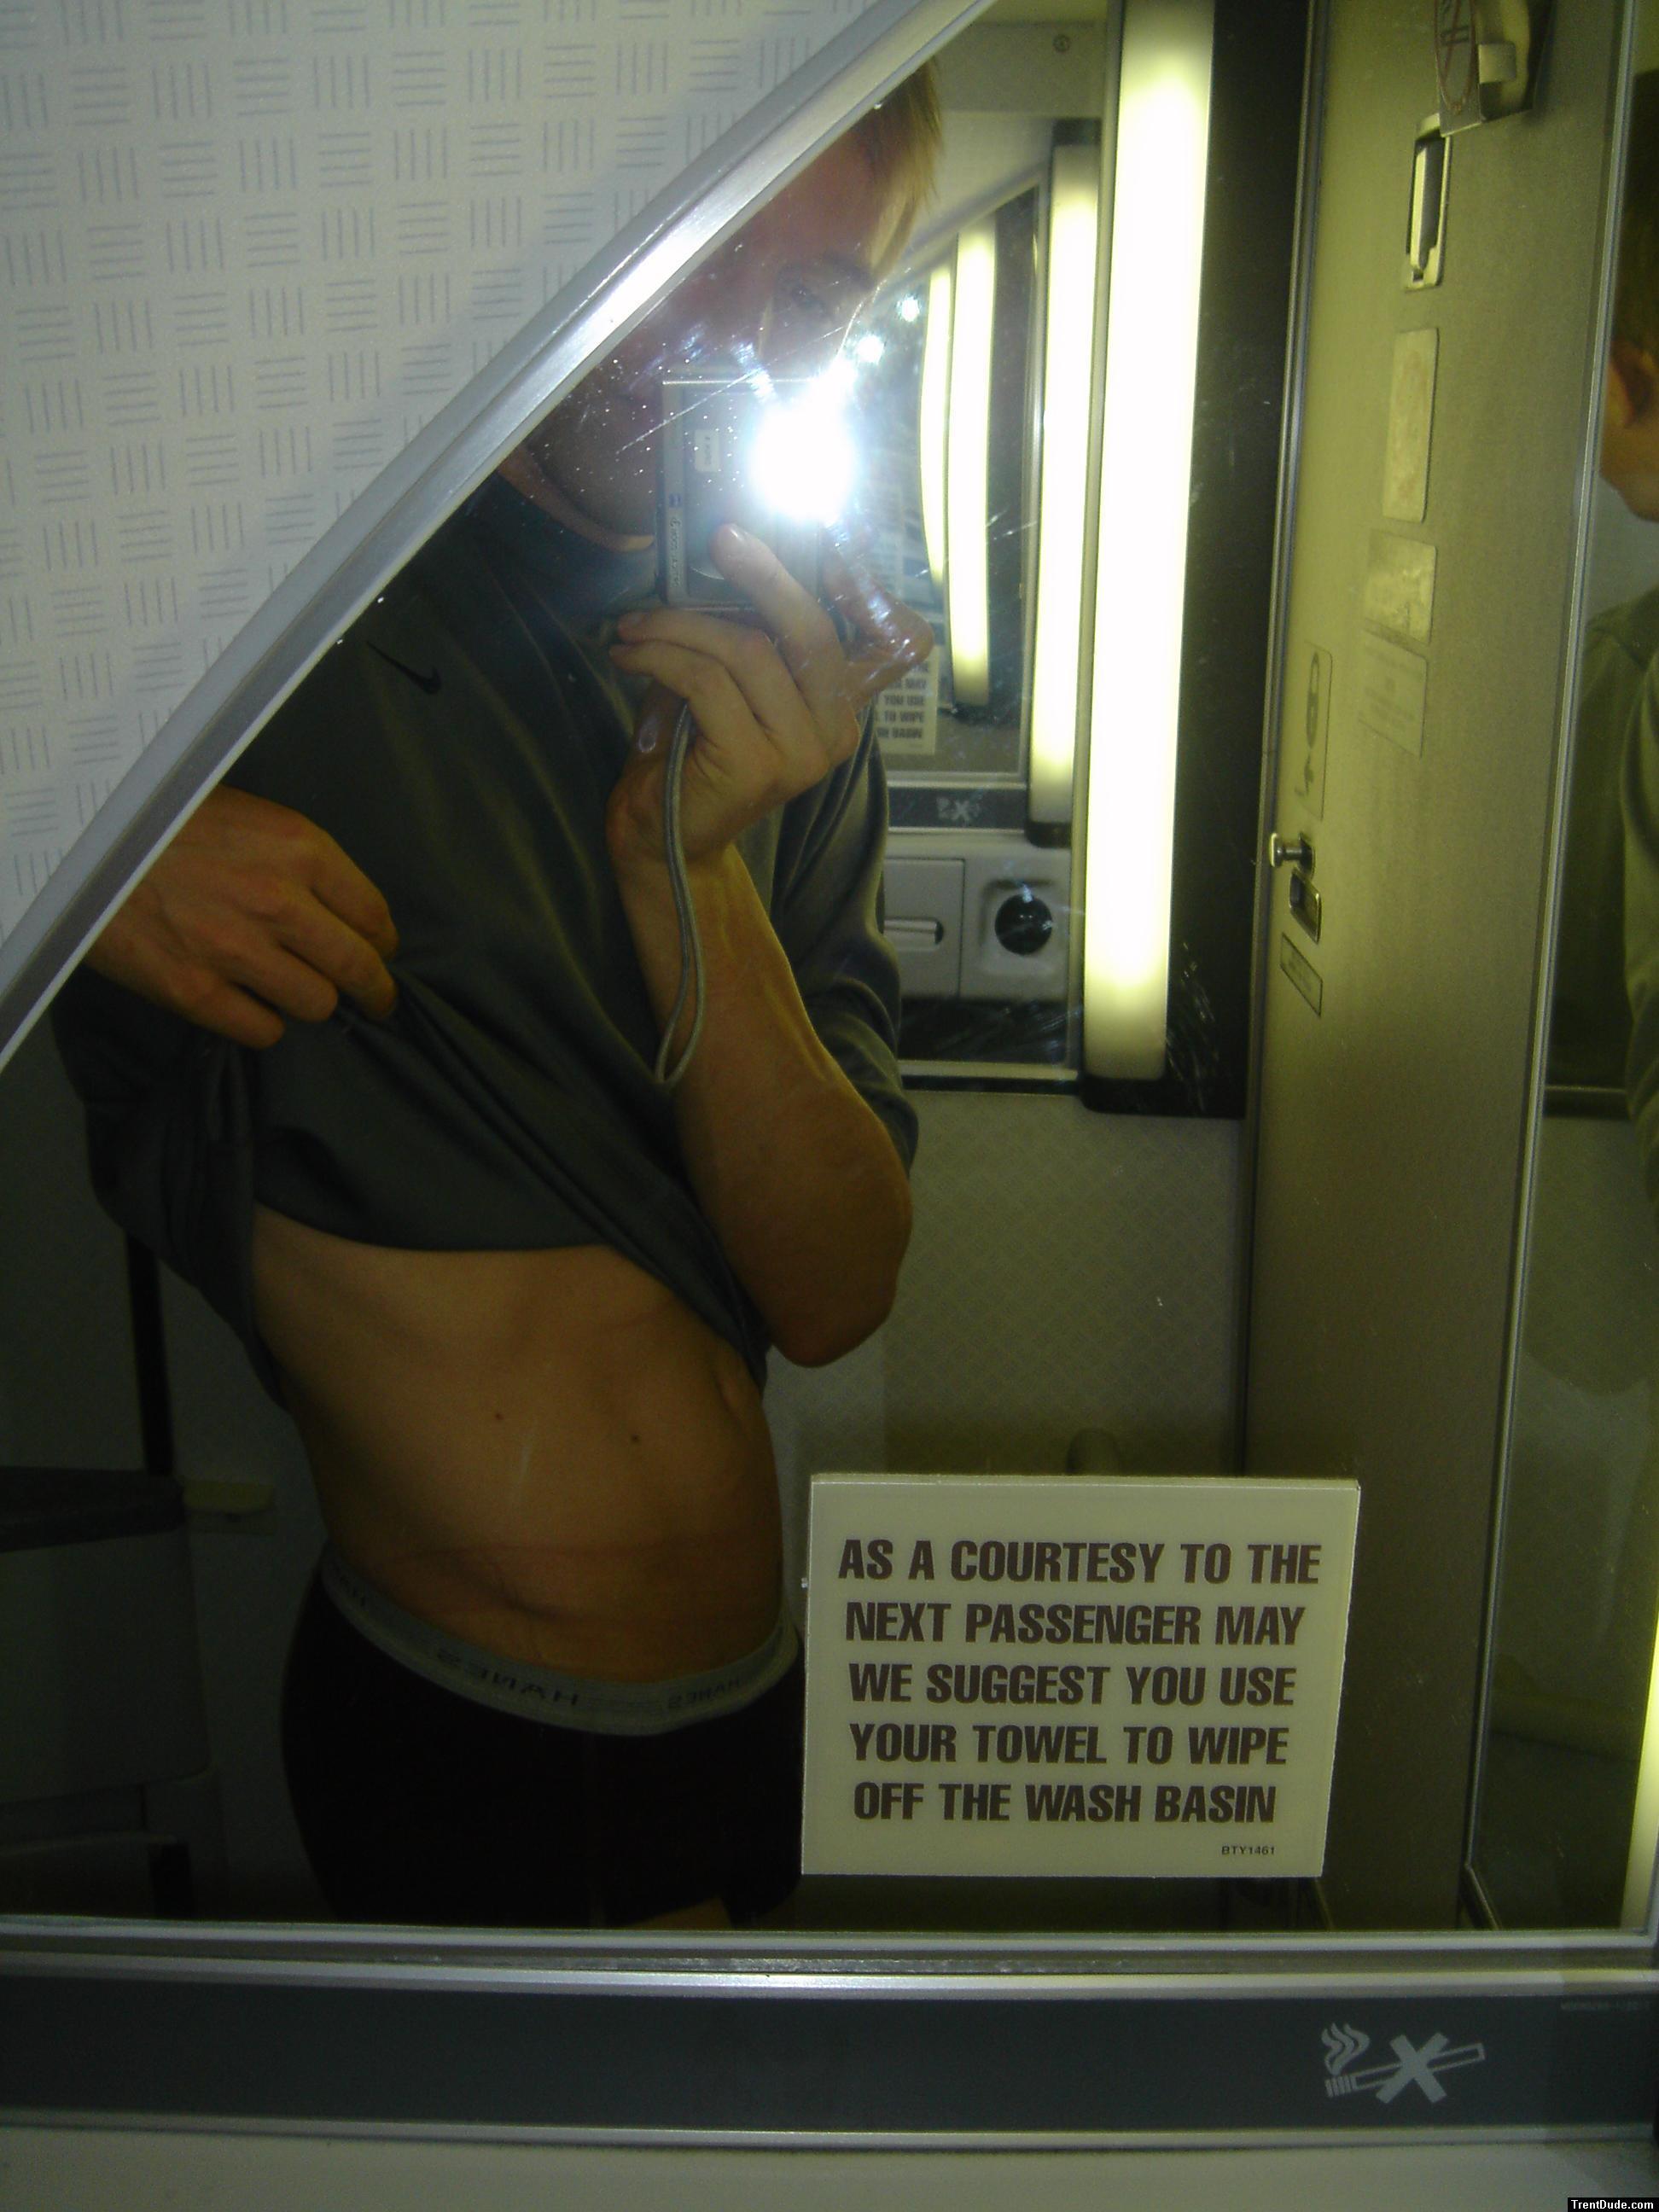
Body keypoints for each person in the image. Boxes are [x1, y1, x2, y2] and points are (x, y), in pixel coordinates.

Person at [51, 80, 940, 1930]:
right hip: (471, 1722)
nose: (723, 348)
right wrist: (80, 861)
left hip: (751, 1706)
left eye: (807, 304)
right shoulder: (264, 582)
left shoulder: (791, 700)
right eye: (699, 255)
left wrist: (691, 878)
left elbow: (836, 1291)